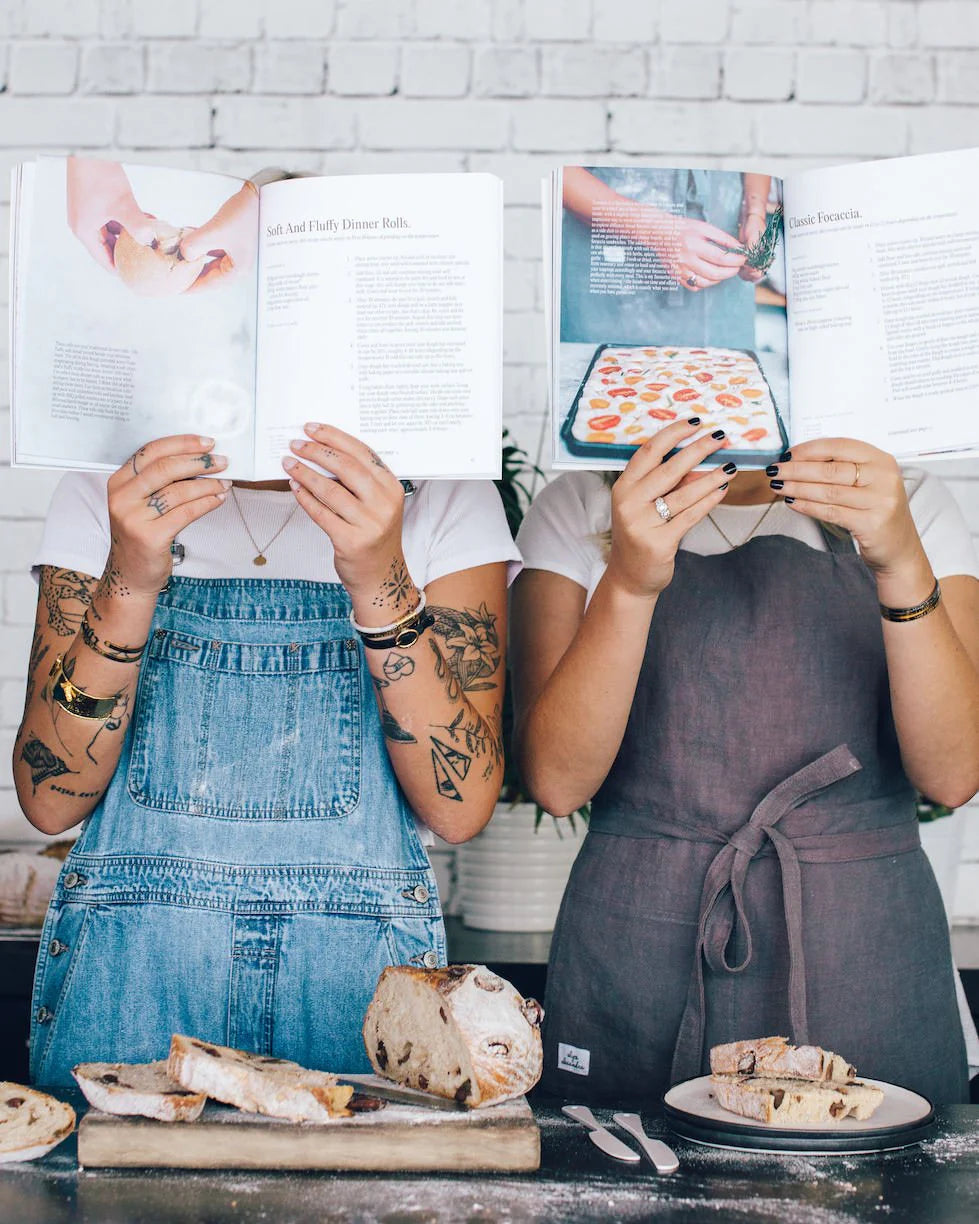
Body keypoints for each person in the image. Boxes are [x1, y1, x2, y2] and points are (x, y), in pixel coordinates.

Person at [15, 425, 519, 1086]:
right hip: (130, 981)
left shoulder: (442, 492)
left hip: (354, 993)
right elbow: (50, 797)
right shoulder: (116, 488)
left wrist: (379, 580)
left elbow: (459, 808)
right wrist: (130, 582)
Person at [511, 420, 979, 1105]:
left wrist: (902, 561)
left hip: (860, 950)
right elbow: (556, 781)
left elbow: (953, 772)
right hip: (641, 949)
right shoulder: (584, 503)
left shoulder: (902, 499)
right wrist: (632, 581)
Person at [560, 167, 771, 351]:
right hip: (613, 284)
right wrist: (657, 231)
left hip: (725, 293)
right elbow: (559, 172)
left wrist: (754, 213)